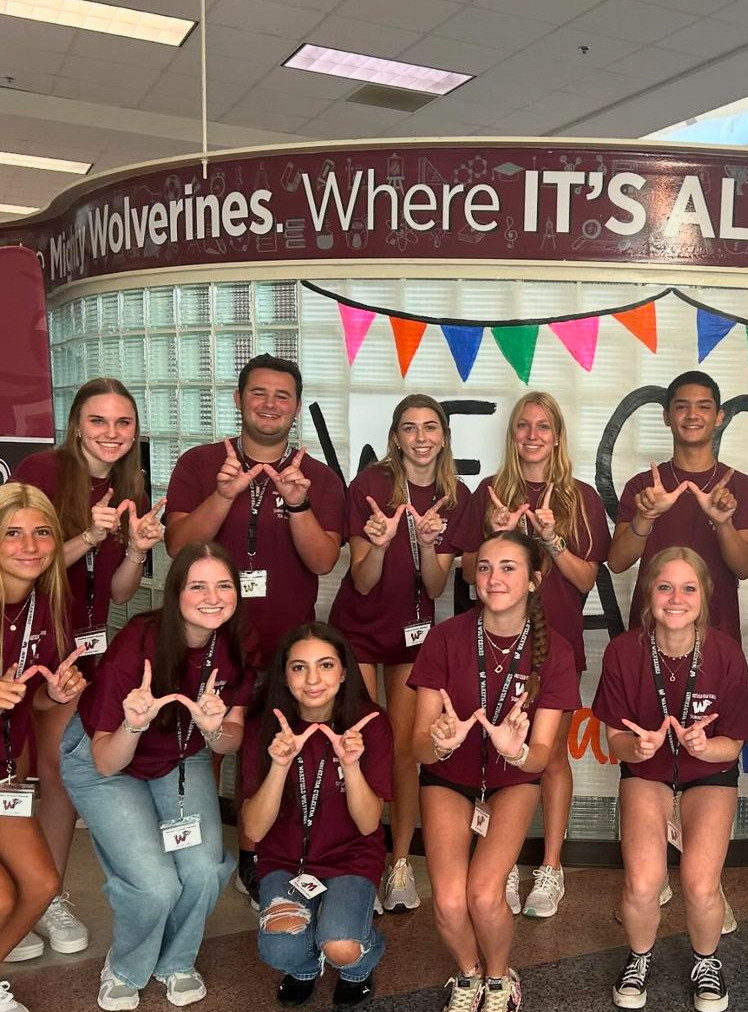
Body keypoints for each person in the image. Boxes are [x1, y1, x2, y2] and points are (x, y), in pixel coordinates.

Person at [165, 354, 345, 905]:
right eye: (259, 393)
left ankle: (256, 859)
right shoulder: (200, 464)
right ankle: (187, 864)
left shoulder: (317, 475)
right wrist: (223, 494)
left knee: (270, 756)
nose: (269, 404)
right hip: (209, 644)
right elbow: (176, 548)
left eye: (282, 396)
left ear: (294, 408)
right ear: (240, 400)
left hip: (288, 650)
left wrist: (299, 503)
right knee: (201, 750)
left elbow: (322, 560)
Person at [59, 542, 256, 1011]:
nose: (212, 597)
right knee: (156, 883)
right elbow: (107, 760)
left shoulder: (239, 643)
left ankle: (177, 961)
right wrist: (134, 723)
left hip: (180, 757)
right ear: (176, 592)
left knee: (204, 869)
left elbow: (233, 736)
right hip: (106, 757)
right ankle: (127, 965)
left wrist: (214, 731)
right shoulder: (139, 643)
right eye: (198, 586)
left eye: (223, 585)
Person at [13, 378, 164, 957]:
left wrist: (134, 550)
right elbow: (22, 559)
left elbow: (120, 592)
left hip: (82, 647)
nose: (111, 433)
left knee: (57, 774)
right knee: (17, 770)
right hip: (25, 639)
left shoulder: (127, 483)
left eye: (123, 423)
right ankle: (16, 894)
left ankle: (44, 896)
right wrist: (86, 534)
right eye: (98, 421)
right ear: (75, 423)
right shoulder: (42, 472)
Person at [408, 531, 580, 1012]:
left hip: (512, 781)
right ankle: (468, 974)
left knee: (484, 896)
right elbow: (416, 744)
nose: (494, 578)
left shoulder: (556, 650)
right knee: (447, 902)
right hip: (448, 778)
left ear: (533, 580)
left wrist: (516, 751)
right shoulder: (446, 638)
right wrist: (439, 742)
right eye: (484, 567)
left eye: (508, 567)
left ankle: (502, 979)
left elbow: (545, 755)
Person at [448, 392, 610, 919]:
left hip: (553, 643)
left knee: (549, 755)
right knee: (493, 753)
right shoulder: (489, 492)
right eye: (523, 425)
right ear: (512, 434)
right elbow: (470, 570)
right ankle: (504, 864)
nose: (533, 434)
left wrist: (552, 538)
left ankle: (552, 867)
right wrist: (497, 532)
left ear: (558, 435)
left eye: (544, 425)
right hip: (492, 642)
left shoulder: (582, 497)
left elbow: (586, 579)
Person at [592, 548, 748, 1012]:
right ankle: (639, 957)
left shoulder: (725, 655)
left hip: (711, 774)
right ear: (650, 594)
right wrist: (637, 748)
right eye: (665, 587)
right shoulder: (624, 651)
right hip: (647, 773)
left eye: (689, 588)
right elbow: (616, 738)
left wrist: (705, 748)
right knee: (643, 882)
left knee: (701, 884)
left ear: (705, 596)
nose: (676, 598)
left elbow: (735, 743)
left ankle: (706, 962)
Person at [329, 395, 468, 916]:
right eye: (410, 428)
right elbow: (362, 581)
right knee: (360, 744)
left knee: (409, 748)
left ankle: (402, 861)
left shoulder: (456, 497)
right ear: (396, 437)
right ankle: (356, 856)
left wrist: (430, 545)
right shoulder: (370, 486)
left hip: (414, 636)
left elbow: (433, 587)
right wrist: (383, 544)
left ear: (443, 435)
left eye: (430, 427)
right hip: (360, 630)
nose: (421, 437)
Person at [241, 623, 392, 1007]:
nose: (312, 679)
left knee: (342, 945)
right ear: (285, 675)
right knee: (280, 950)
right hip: (285, 859)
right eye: (298, 667)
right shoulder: (264, 727)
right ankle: (305, 968)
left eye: (325, 666)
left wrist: (352, 765)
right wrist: (279, 765)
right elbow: (255, 827)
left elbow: (369, 823)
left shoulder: (368, 725)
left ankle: (360, 962)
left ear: (343, 673)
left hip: (350, 858)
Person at [0, 485, 85, 1012]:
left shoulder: (46, 604)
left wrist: (54, 697)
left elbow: (26, 697)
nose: (30, 545)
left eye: (42, 532)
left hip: (3, 772)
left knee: (40, 884)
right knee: (6, 896)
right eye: (12, 532)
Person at [609, 371, 748, 643]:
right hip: (650, 632)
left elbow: (744, 568)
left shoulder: (744, 487)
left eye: (704, 407)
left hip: (717, 635)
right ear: (667, 416)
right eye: (682, 407)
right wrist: (646, 516)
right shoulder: (642, 486)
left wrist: (723, 522)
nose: (693, 415)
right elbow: (618, 563)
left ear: (719, 417)